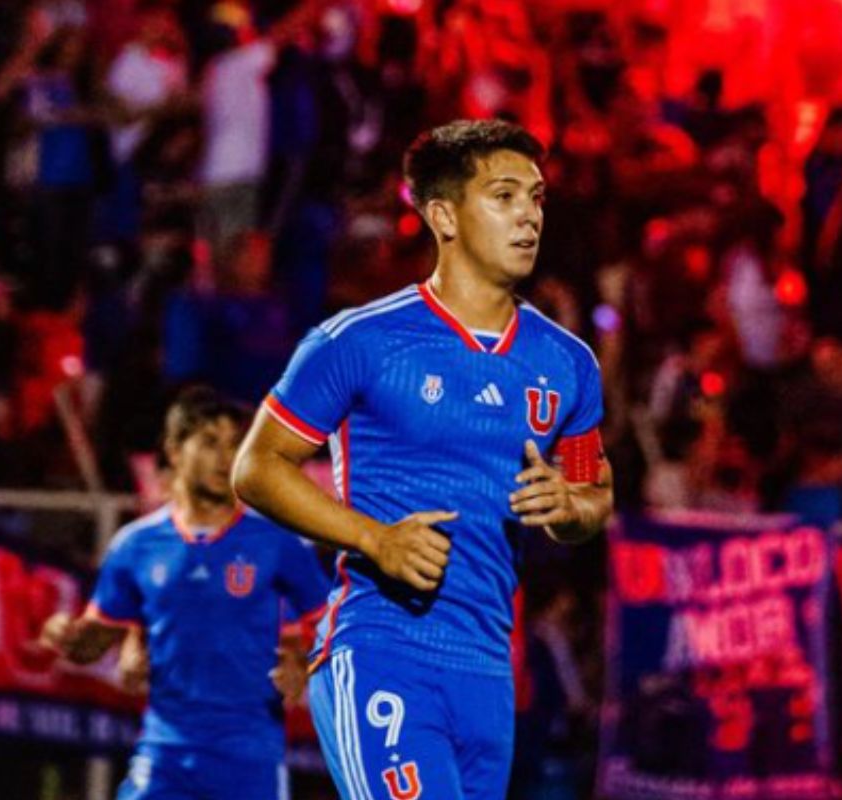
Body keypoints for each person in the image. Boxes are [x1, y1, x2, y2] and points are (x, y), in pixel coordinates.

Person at [233, 119, 614, 799]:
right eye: (503, 196)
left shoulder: (568, 363)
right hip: (383, 648)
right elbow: (257, 467)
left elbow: (593, 495)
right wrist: (374, 539)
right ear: (443, 216)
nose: (529, 215)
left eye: (535, 197)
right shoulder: (360, 341)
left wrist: (571, 505)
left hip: (489, 671)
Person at [40, 387, 329, 799]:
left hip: (249, 759)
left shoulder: (278, 542)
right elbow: (96, 639)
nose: (226, 458)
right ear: (174, 451)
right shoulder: (135, 546)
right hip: (165, 754)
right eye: (210, 442)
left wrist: (301, 661)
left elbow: (331, 625)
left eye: (235, 444)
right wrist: (68, 637)